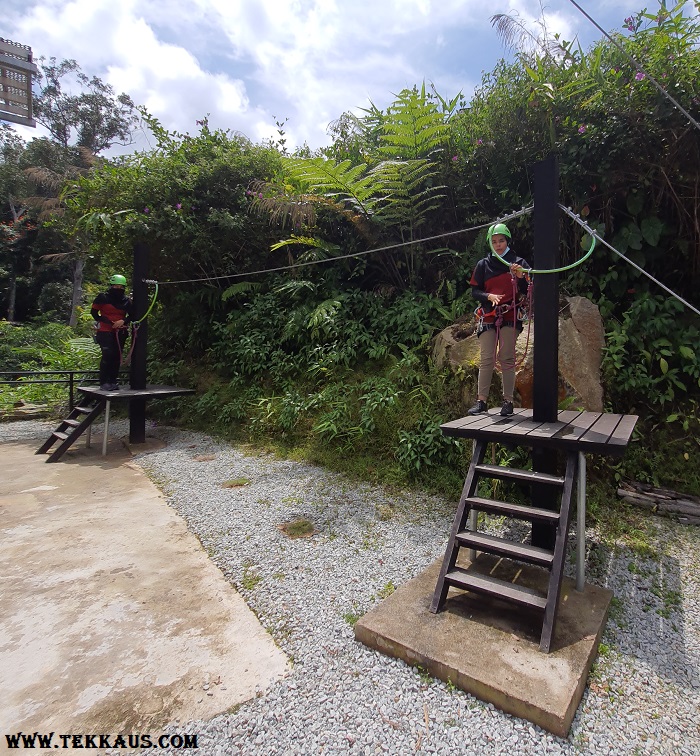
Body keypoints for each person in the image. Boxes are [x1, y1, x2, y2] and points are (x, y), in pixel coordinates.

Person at [467, 223, 530, 417]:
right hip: (489, 314)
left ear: (507, 241)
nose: (498, 245)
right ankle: (481, 401)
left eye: (501, 241)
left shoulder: (518, 262)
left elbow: (530, 286)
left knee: (507, 357)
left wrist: (521, 276)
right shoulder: (483, 265)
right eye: (494, 242)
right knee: (487, 357)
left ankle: (508, 402)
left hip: (510, 313)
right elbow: (474, 291)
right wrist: (488, 296)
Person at [91, 274, 133, 391]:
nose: (118, 289)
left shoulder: (126, 301)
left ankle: (113, 381)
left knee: (116, 356)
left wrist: (123, 321)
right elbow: (94, 313)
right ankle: (104, 382)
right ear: (111, 286)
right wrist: (108, 321)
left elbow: (132, 315)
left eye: (121, 287)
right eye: (116, 286)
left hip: (120, 332)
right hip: (105, 331)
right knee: (107, 355)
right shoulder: (102, 298)